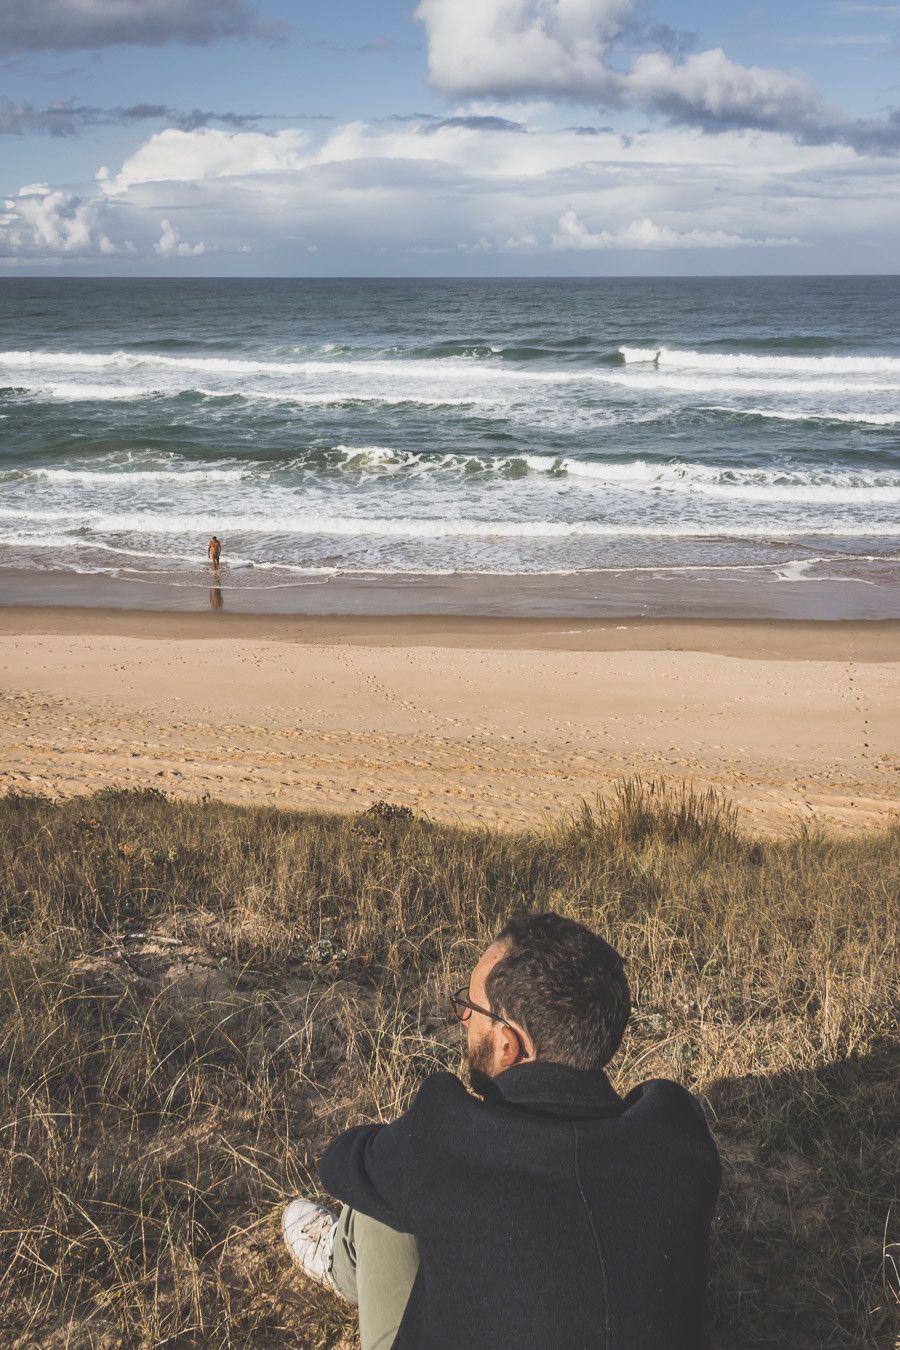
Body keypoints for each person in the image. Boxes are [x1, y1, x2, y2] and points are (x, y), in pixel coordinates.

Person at [282, 912, 720, 1350]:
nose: (464, 1022)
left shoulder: (449, 1137)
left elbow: (341, 1164)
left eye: (470, 1010)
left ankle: (344, 1265)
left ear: (508, 1045)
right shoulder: (680, 1138)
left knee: (380, 1204)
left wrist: (407, 1145)